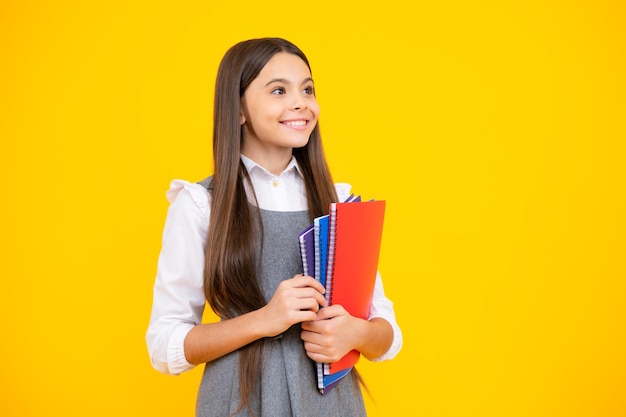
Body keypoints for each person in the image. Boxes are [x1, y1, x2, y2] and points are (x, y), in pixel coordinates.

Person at [146, 37, 402, 417]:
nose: (300, 102)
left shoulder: (340, 202)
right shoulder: (201, 204)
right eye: (279, 90)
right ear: (239, 110)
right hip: (238, 403)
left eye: (308, 89)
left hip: (332, 405)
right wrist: (264, 320)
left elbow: (387, 335)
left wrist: (356, 333)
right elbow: (165, 345)